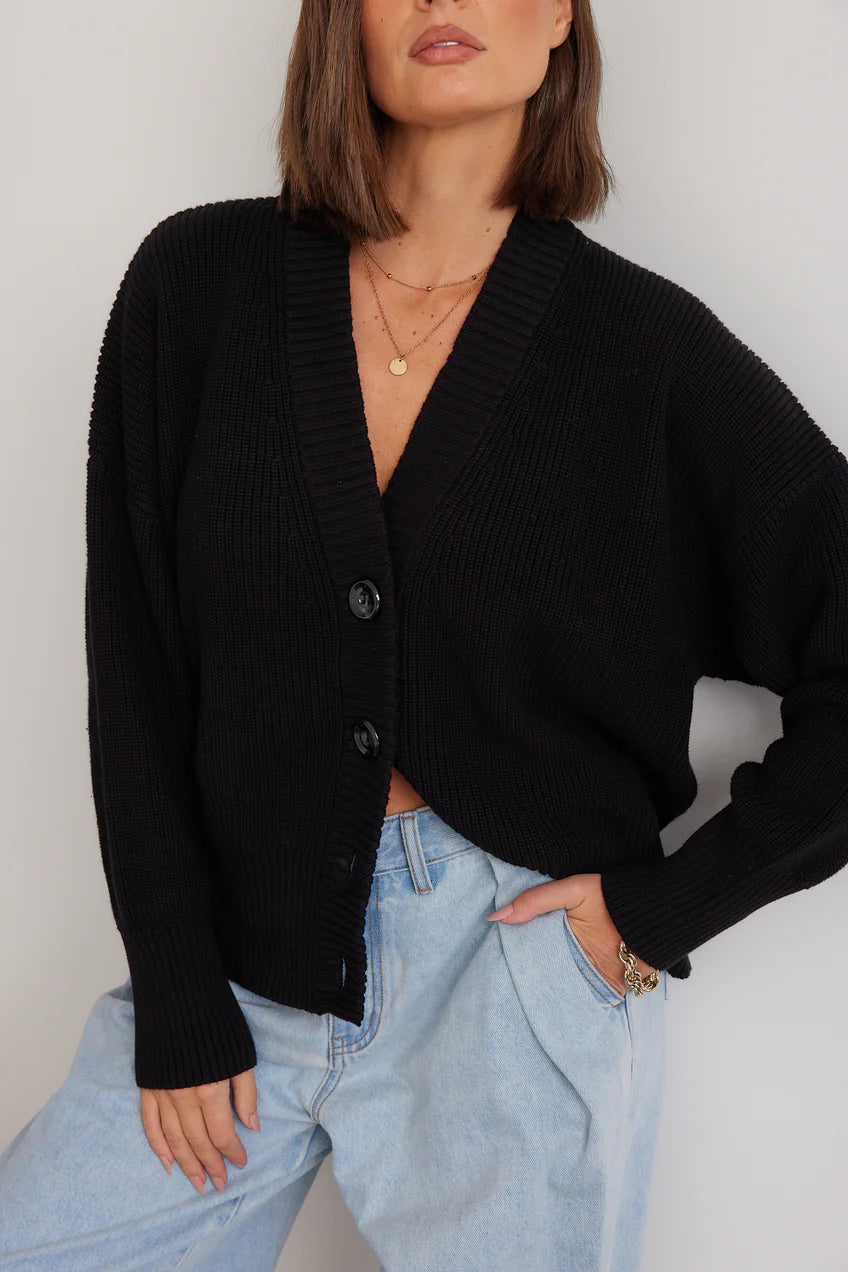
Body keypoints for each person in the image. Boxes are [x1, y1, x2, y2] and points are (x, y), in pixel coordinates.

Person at [2, 0, 848, 1268]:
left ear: (556, 16)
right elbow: (137, 666)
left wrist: (655, 914)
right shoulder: (198, 286)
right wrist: (175, 993)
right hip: (234, 966)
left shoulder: (646, 354)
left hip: (514, 975)